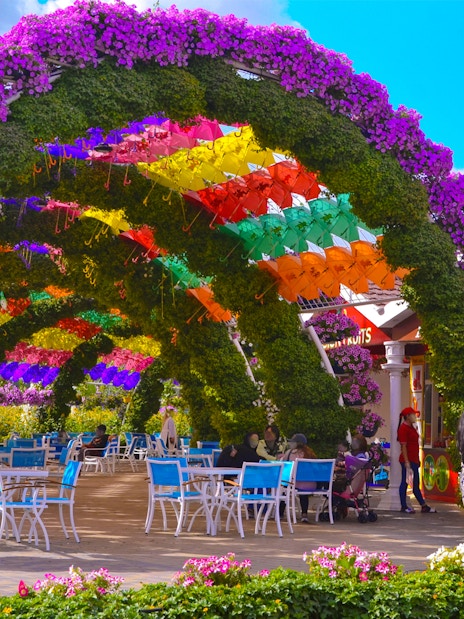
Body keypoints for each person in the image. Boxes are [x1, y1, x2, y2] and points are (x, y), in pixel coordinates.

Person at [397, 407, 436, 514]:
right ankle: (405, 506)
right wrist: (407, 462)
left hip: (413, 460)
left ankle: (423, 506)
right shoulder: (403, 429)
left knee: (414, 483)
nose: (415, 417)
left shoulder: (411, 427)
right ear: (408, 416)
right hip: (408, 460)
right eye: (413, 414)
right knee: (405, 483)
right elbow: (404, 446)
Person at [278, 433, 316, 523]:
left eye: (292, 442)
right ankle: (304, 514)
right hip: (310, 484)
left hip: (294, 483)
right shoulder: (310, 453)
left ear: (297, 443)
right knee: (303, 492)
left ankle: (280, 513)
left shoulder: (290, 453)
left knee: (284, 488)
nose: (290, 443)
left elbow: (283, 465)